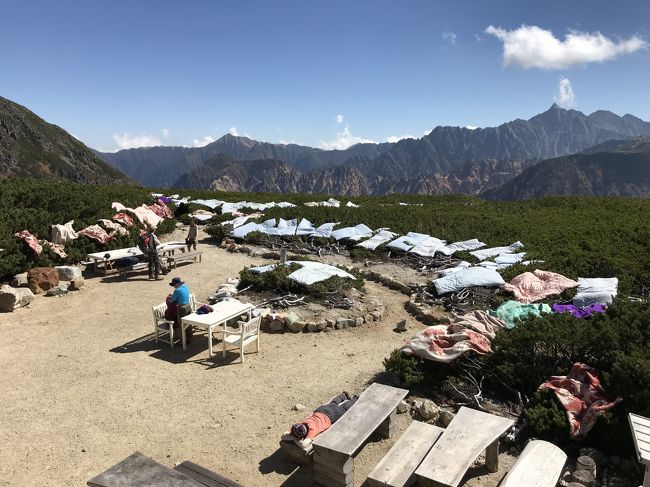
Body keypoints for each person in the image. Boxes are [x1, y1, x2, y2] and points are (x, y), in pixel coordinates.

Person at [281, 392, 358, 449]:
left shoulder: (312, 430)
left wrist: (295, 439)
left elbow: (303, 445)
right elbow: (284, 435)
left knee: (344, 408)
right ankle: (343, 396)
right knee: (333, 403)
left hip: (330, 417)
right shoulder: (301, 423)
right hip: (320, 411)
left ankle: (355, 399)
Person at [168, 276, 193, 342]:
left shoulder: (177, 290)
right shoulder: (186, 287)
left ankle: (182, 340)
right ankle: (190, 338)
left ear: (177, 284)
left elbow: (171, 301)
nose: (174, 286)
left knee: (181, 325)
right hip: (188, 306)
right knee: (188, 323)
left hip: (181, 308)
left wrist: (170, 296)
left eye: (174, 285)